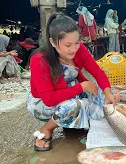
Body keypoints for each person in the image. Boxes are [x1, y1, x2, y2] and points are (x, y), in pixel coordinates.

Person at [27, 13, 118, 152]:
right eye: (68, 45)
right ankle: (47, 128)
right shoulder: (40, 60)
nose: (74, 49)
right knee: (76, 106)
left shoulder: (79, 48)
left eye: (76, 43)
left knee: (100, 95)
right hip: (42, 102)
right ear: (52, 42)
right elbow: (49, 99)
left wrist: (108, 92)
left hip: (68, 92)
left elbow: (97, 72)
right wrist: (82, 87)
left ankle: (69, 120)